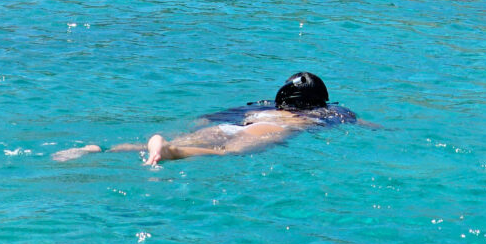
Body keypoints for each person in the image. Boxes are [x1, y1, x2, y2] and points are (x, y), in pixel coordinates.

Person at [53, 72, 361, 167]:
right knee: (229, 153)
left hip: (233, 125)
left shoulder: (263, 106)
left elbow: (206, 119)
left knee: (201, 142)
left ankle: (99, 150)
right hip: (265, 131)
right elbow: (356, 123)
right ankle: (168, 153)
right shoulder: (324, 114)